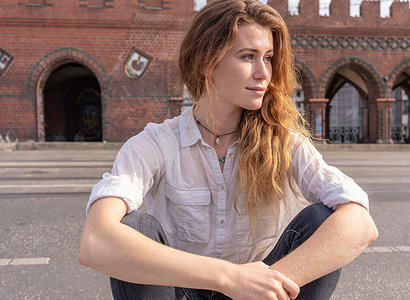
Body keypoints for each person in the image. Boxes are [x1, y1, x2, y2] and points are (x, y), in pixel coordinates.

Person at [79, 1, 378, 299]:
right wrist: (229, 278)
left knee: (322, 220)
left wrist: (266, 285)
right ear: (207, 61)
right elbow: (96, 241)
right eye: (248, 56)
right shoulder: (156, 144)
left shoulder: (282, 141)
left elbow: (360, 224)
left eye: (269, 58)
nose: (264, 73)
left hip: (261, 294)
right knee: (135, 226)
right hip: (182, 292)